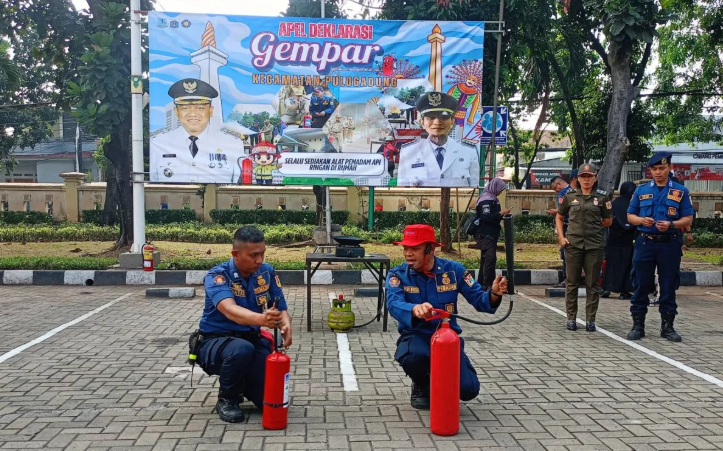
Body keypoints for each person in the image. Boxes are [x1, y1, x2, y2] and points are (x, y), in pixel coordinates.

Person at [385, 224, 508, 409]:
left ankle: (441, 378)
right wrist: (414, 309)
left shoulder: (454, 270)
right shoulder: (398, 274)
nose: (408, 254)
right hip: (416, 335)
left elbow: (480, 300)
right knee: (413, 356)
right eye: (405, 248)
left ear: (431, 249)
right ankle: (421, 383)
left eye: (415, 248)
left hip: (447, 339)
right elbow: (393, 303)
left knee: (469, 389)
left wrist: (495, 294)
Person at [194, 226, 293, 422]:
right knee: (241, 350)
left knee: (268, 400)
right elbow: (230, 310)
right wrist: (262, 319)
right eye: (254, 255)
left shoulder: (266, 272)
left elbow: (280, 306)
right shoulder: (218, 276)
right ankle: (228, 399)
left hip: (250, 340)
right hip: (216, 341)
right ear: (235, 254)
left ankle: (243, 381)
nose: (260, 260)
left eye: (262, 253)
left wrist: (286, 325)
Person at [626, 152, 694, 342]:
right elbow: (630, 216)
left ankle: (667, 327)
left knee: (668, 284)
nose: (658, 172)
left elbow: (688, 218)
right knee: (641, 283)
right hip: (645, 243)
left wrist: (672, 224)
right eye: (654, 169)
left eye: (662, 168)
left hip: (670, 243)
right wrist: (641, 220)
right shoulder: (641, 190)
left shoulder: (680, 191)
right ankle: (638, 326)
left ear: (669, 168)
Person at [151, 78, 245, 183]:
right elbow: (152, 185)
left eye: (200, 108)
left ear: (211, 111)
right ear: (176, 112)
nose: (193, 114)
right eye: (185, 108)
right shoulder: (158, 143)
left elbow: (241, 186)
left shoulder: (232, 143)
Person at [556, 163, 613, 332]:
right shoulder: (569, 196)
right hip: (573, 245)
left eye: (589, 176)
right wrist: (561, 237)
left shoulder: (602, 197)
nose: (586, 180)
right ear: (578, 179)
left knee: (592, 284)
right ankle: (571, 318)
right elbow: (559, 217)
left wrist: (593, 225)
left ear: (595, 178)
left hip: (594, 245)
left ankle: (590, 320)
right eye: (583, 177)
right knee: (571, 283)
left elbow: (608, 221)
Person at [396, 92, 480, 187]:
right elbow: (402, 190)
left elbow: (475, 189)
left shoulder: (468, 151)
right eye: (431, 117)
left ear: (452, 122)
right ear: (422, 122)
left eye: (444, 117)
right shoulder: (408, 152)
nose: (437, 122)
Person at [601, 181, 637, 299]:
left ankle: (607, 288)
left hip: (614, 239)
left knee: (611, 265)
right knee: (627, 265)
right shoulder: (634, 205)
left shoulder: (613, 204)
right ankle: (624, 291)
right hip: (629, 240)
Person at [473, 178, 510, 289]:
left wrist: (501, 215)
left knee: (486, 260)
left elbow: (493, 217)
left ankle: (482, 285)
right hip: (485, 234)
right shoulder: (486, 200)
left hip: (491, 234)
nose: (500, 192)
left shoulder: (493, 199)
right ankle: (487, 285)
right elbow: (486, 217)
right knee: (490, 258)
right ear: (495, 187)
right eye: (500, 189)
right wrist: (500, 213)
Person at [547, 176, 572, 288]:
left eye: (555, 188)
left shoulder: (563, 193)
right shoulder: (576, 191)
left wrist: (555, 212)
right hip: (577, 227)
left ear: (559, 184)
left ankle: (567, 279)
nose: (555, 191)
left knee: (565, 253)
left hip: (566, 226)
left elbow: (563, 211)